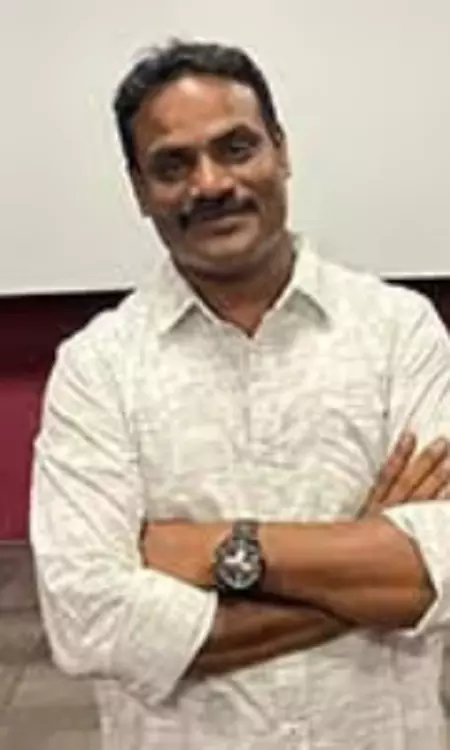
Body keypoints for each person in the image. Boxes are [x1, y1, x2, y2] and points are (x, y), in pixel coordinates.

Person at [30, 39, 450, 749]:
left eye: (236, 148)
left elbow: (439, 570)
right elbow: (91, 620)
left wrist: (220, 550)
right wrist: (364, 567)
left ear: (281, 151)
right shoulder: (96, 368)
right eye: (172, 165)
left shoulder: (399, 331)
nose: (210, 183)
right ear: (139, 190)